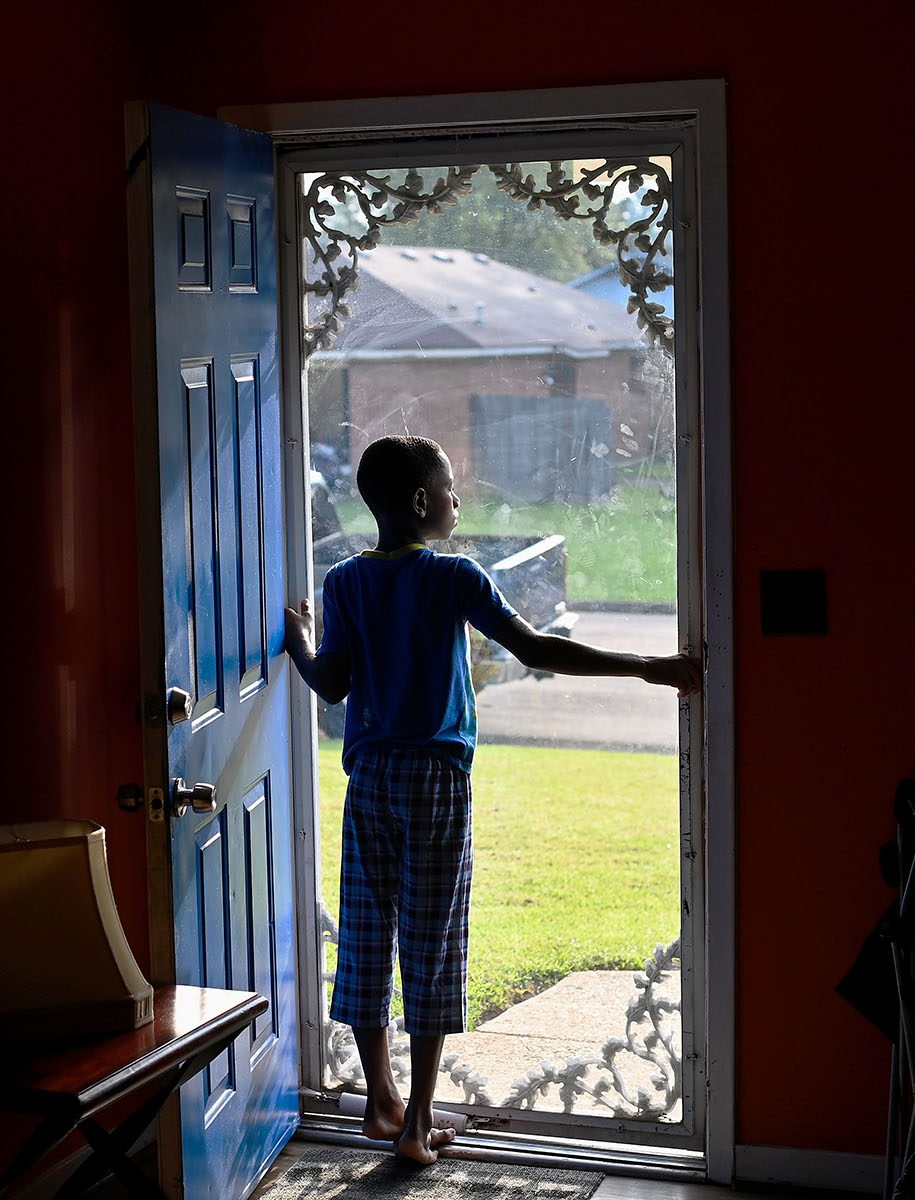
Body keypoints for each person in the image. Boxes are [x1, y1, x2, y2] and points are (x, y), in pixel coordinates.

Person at [283, 434, 701, 1165]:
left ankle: (379, 1104)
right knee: (433, 941)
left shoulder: (346, 581)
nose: (457, 501)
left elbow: (334, 686)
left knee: (366, 936)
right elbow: (535, 649)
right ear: (421, 502)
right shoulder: (455, 577)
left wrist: (299, 644)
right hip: (436, 785)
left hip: (370, 782)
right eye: (449, 490)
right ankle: (415, 1123)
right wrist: (647, 667)